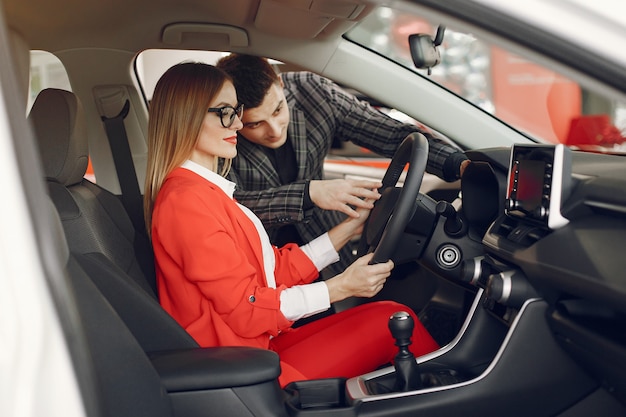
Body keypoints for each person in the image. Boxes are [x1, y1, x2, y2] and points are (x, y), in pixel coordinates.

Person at [144, 62, 439, 387]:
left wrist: (347, 230)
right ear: (186, 116)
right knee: (395, 321)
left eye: (237, 111)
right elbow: (248, 308)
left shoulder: (205, 191)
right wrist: (342, 286)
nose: (239, 123)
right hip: (239, 370)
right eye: (226, 113)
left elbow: (272, 272)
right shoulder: (186, 202)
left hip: (254, 347)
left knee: (387, 312)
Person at [216, 54, 470, 275]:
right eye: (254, 124)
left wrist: (457, 163)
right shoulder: (218, 134)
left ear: (281, 83)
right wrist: (309, 193)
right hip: (260, 260)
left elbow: (389, 133)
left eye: (278, 110)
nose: (274, 130)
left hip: (326, 241)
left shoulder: (313, 92)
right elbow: (230, 208)